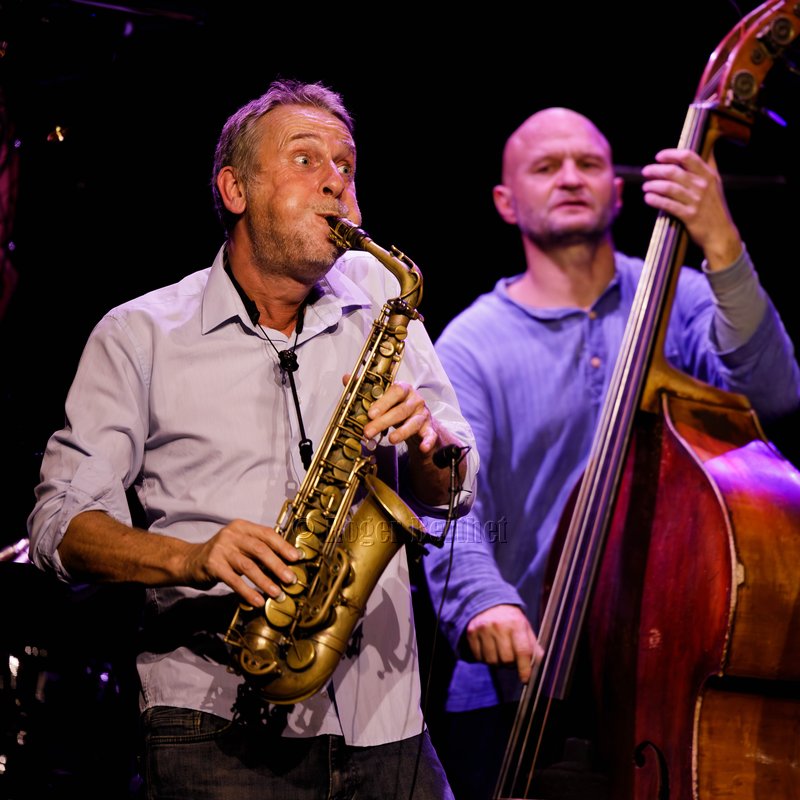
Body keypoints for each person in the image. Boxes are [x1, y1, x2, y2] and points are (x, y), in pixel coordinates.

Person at [26, 78, 478, 800]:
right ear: (235, 189)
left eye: (346, 165)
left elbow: (456, 489)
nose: (335, 181)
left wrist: (431, 450)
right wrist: (192, 556)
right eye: (306, 159)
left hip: (386, 721)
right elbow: (59, 525)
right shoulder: (139, 334)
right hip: (213, 727)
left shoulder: (382, 301)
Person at [421, 106, 800, 800]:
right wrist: (481, 601)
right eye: (546, 167)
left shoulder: (681, 301)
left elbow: (774, 395)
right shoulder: (471, 344)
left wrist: (721, 242)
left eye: (589, 164)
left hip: (672, 676)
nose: (571, 177)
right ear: (505, 202)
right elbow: (450, 503)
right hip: (525, 685)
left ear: (618, 191)